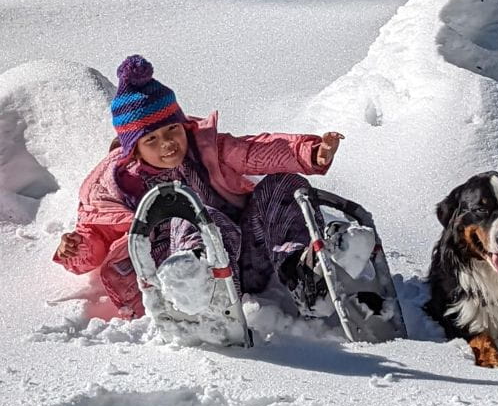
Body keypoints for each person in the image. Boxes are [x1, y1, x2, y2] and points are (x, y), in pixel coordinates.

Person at [54, 54, 343, 318]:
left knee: (284, 184)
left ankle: (302, 275)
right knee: (188, 211)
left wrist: (309, 152)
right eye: (151, 139)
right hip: (177, 285)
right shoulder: (118, 187)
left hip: (245, 258)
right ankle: (204, 286)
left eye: (173, 129)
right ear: (134, 151)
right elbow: (95, 237)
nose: (167, 143)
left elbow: (255, 151)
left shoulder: (206, 151)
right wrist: (76, 249)